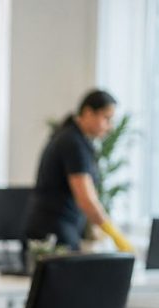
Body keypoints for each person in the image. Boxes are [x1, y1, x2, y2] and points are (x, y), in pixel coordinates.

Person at [22, 89, 133, 253]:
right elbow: (86, 199)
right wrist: (114, 234)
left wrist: (98, 230)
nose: (109, 127)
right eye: (106, 119)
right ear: (88, 112)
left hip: (60, 228)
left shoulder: (75, 139)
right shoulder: (73, 143)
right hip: (52, 233)